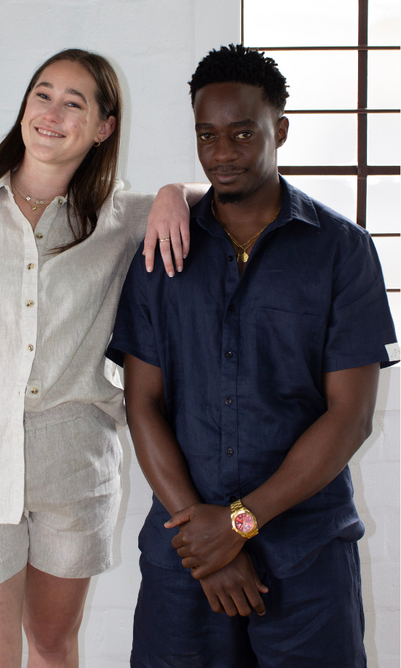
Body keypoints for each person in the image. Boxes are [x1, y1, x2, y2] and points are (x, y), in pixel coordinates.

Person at [0, 48, 202, 668]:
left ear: (103, 127)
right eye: (42, 95)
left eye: (74, 103)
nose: (51, 113)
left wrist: (172, 192)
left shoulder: (119, 219)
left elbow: (223, 192)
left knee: (52, 646)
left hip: (75, 473)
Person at [107, 44, 399, 667]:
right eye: (206, 135)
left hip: (307, 553)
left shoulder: (342, 251)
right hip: (185, 558)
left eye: (243, 133)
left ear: (280, 130)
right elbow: (142, 403)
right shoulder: (161, 252)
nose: (222, 153)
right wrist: (204, 539)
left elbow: (350, 417)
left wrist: (236, 526)